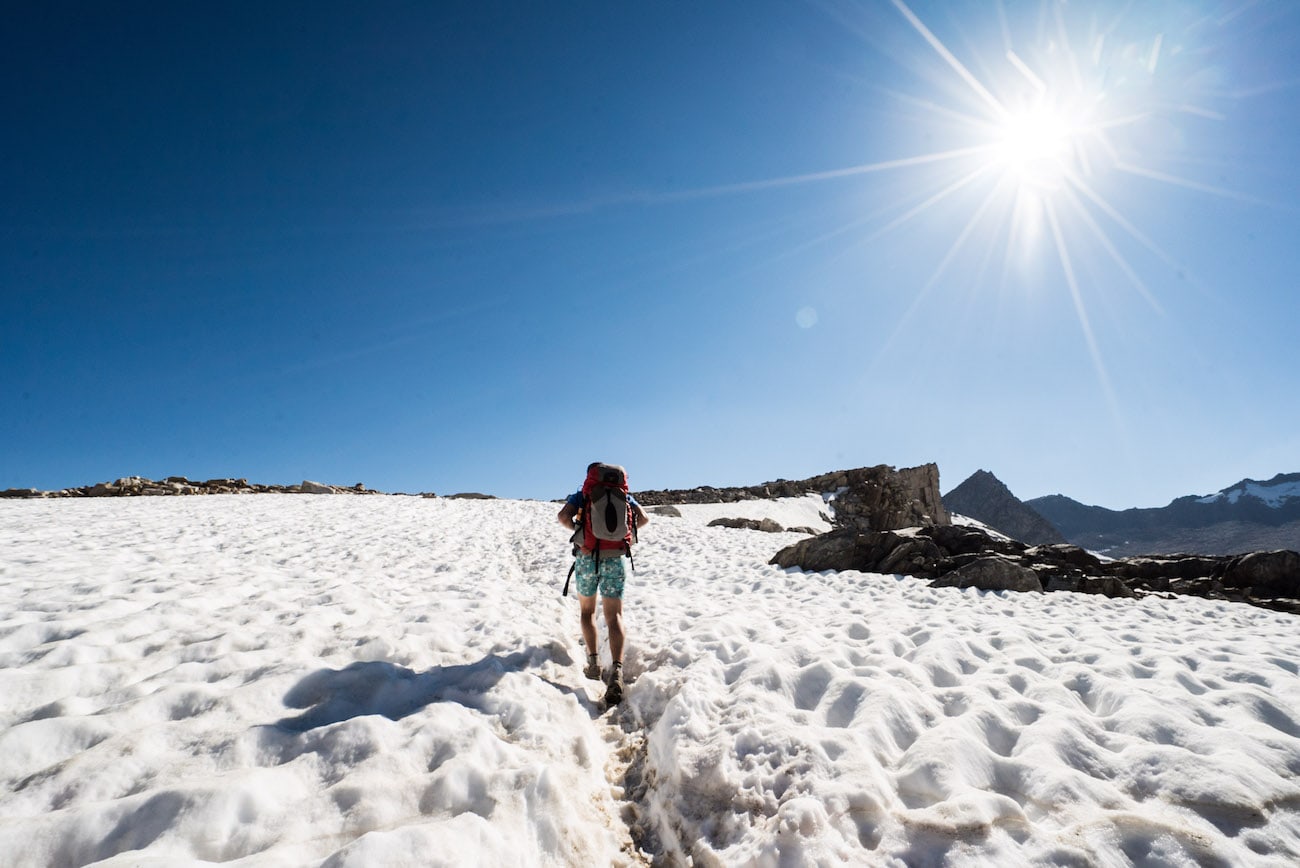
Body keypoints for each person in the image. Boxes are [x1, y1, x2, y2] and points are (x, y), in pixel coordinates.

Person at [558, 463, 650, 705]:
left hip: (587, 559)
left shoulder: (583, 494)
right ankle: (617, 670)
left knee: (587, 611)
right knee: (614, 616)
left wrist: (581, 534)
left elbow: (562, 517)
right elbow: (644, 519)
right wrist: (621, 536)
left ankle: (593, 663)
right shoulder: (624, 495)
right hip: (615, 559)